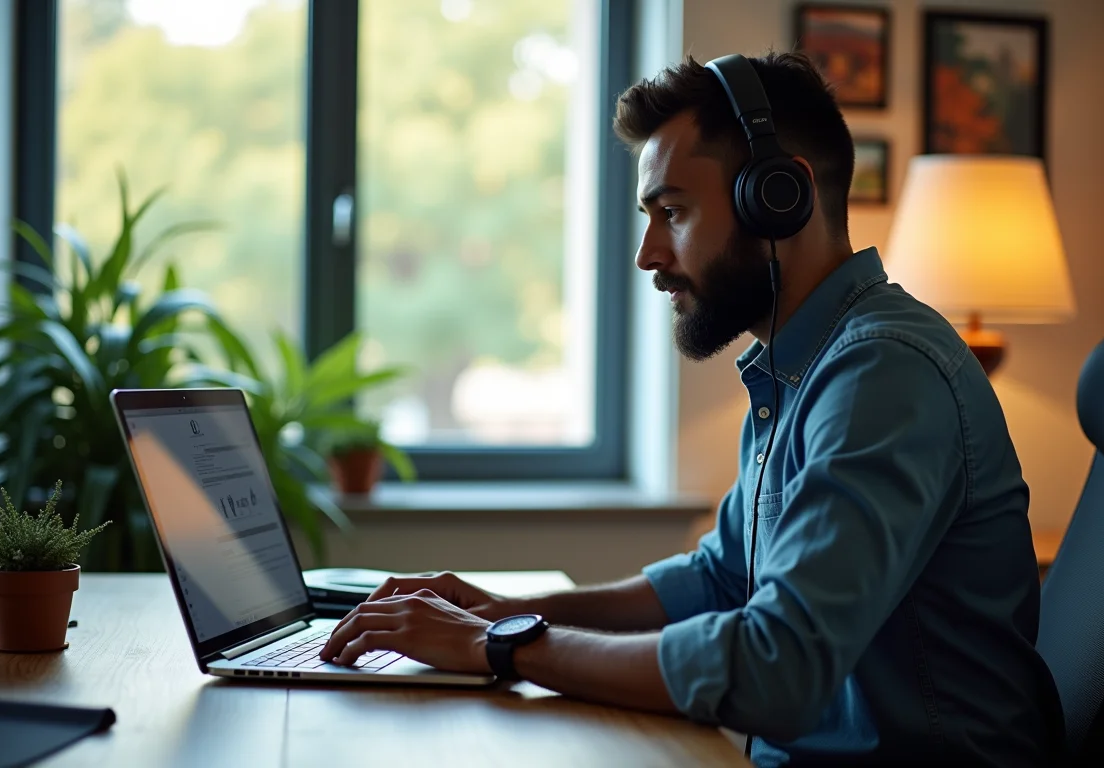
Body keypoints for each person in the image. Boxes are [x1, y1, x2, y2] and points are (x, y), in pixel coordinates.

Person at [320, 51, 1063, 766]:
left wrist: (504, 647)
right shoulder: (802, 369)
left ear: (779, 199)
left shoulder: (883, 375)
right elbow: (718, 578)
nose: (647, 253)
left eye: (672, 211)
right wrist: (501, 608)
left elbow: (779, 667)